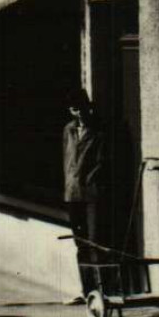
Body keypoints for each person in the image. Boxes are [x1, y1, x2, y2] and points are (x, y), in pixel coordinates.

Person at [63, 88, 106, 295]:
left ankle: (103, 290)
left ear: (87, 106)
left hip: (92, 195)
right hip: (73, 195)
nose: (78, 114)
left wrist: (90, 182)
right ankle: (87, 290)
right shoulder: (69, 130)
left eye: (81, 108)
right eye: (74, 110)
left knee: (95, 242)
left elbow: (101, 163)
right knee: (80, 244)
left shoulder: (98, 132)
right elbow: (66, 160)